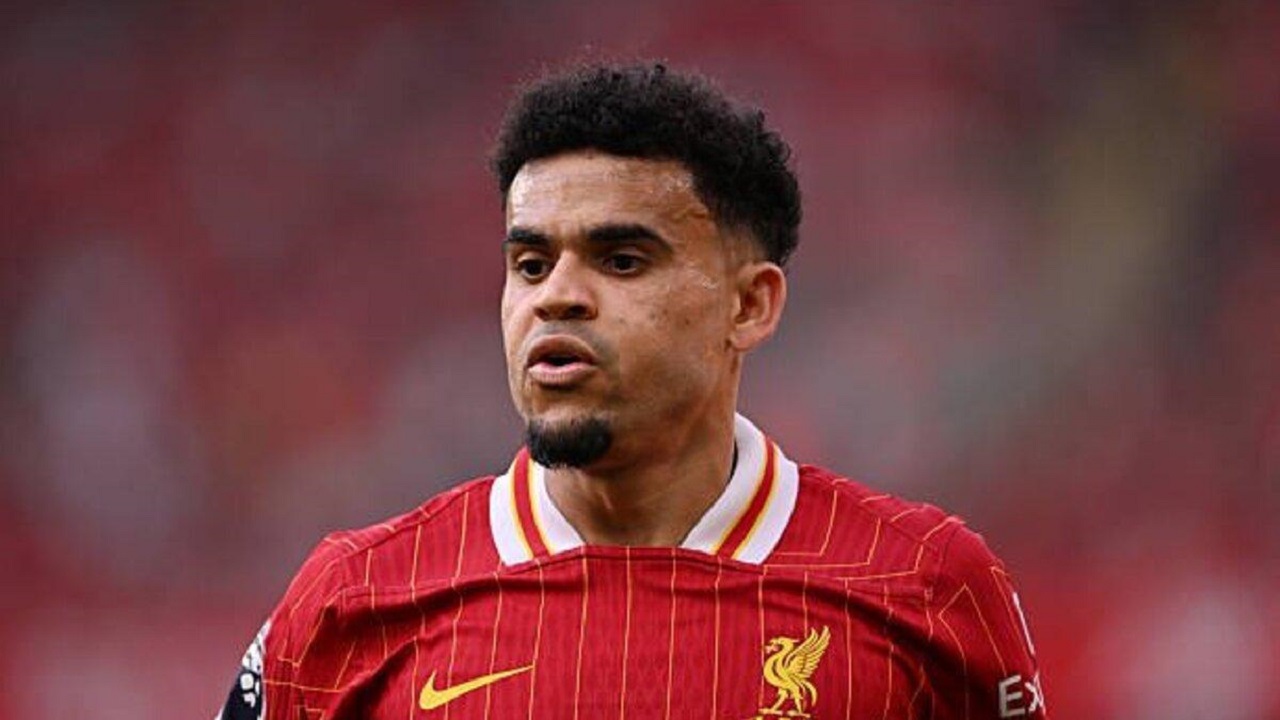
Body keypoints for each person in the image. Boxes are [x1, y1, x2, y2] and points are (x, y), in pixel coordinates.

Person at [218, 63, 1047, 720]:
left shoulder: (927, 589)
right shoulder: (353, 602)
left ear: (749, 305)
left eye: (621, 260)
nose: (556, 297)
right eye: (530, 264)